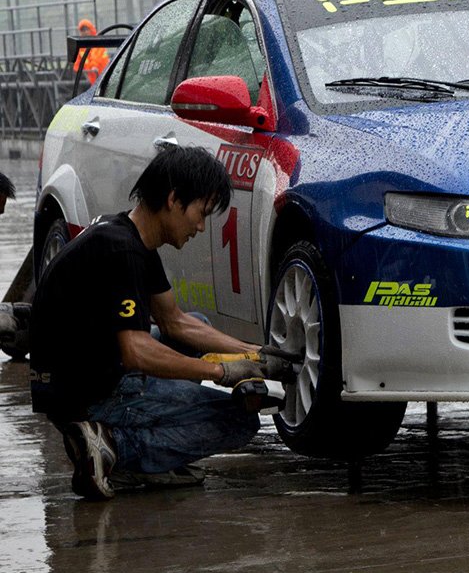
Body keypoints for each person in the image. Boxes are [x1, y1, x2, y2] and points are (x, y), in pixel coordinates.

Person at [30, 146, 284, 500]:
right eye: (200, 213)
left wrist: (254, 353)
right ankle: (111, 446)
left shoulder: (128, 235)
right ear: (173, 199)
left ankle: (137, 452)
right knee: (238, 421)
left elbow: (175, 322)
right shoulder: (121, 251)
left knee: (196, 323)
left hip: (80, 372)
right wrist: (221, 373)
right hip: (86, 394)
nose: (200, 227)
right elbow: (135, 351)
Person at [73, 19, 110, 86]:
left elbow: (96, 56)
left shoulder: (97, 42)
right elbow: (78, 61)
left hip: (103, 75)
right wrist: (77, 68)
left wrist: (94, 66)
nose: (85, 32)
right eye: (82, 30)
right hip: (93, 77)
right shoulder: (82, 47)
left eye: (86, 29)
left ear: (91, 30)